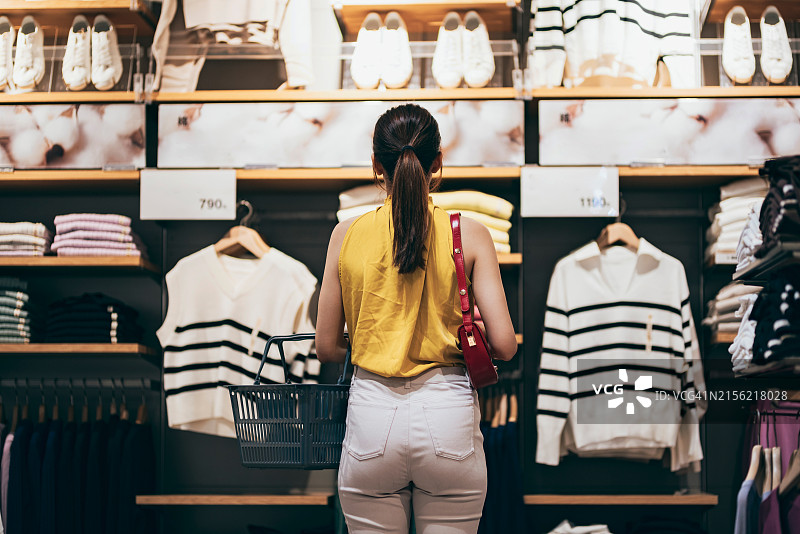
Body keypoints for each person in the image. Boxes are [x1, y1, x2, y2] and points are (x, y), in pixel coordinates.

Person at [316, 103, 517, 533]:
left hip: (371, 414)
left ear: (376, 165)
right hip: (448, 414)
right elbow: (505, 346)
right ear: (438, 163)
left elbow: (326, 346)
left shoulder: (345, 234)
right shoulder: (472, 234)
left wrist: (374, 337)